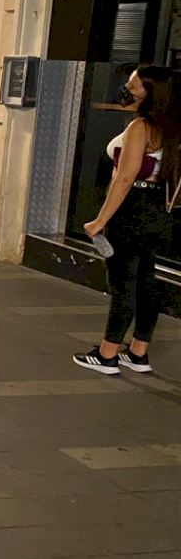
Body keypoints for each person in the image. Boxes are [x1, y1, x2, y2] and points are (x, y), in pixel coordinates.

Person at [75, 65, 179, 375]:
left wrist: (99, 220)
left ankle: (107, 354)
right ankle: (137, 352)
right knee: (146, 281)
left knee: (123, 284)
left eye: (133, 86)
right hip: (160, 210)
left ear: (150, 93)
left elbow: (124, 179)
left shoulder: (140, 128)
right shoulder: (173, 127)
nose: (127, 90)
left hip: (132, 209)